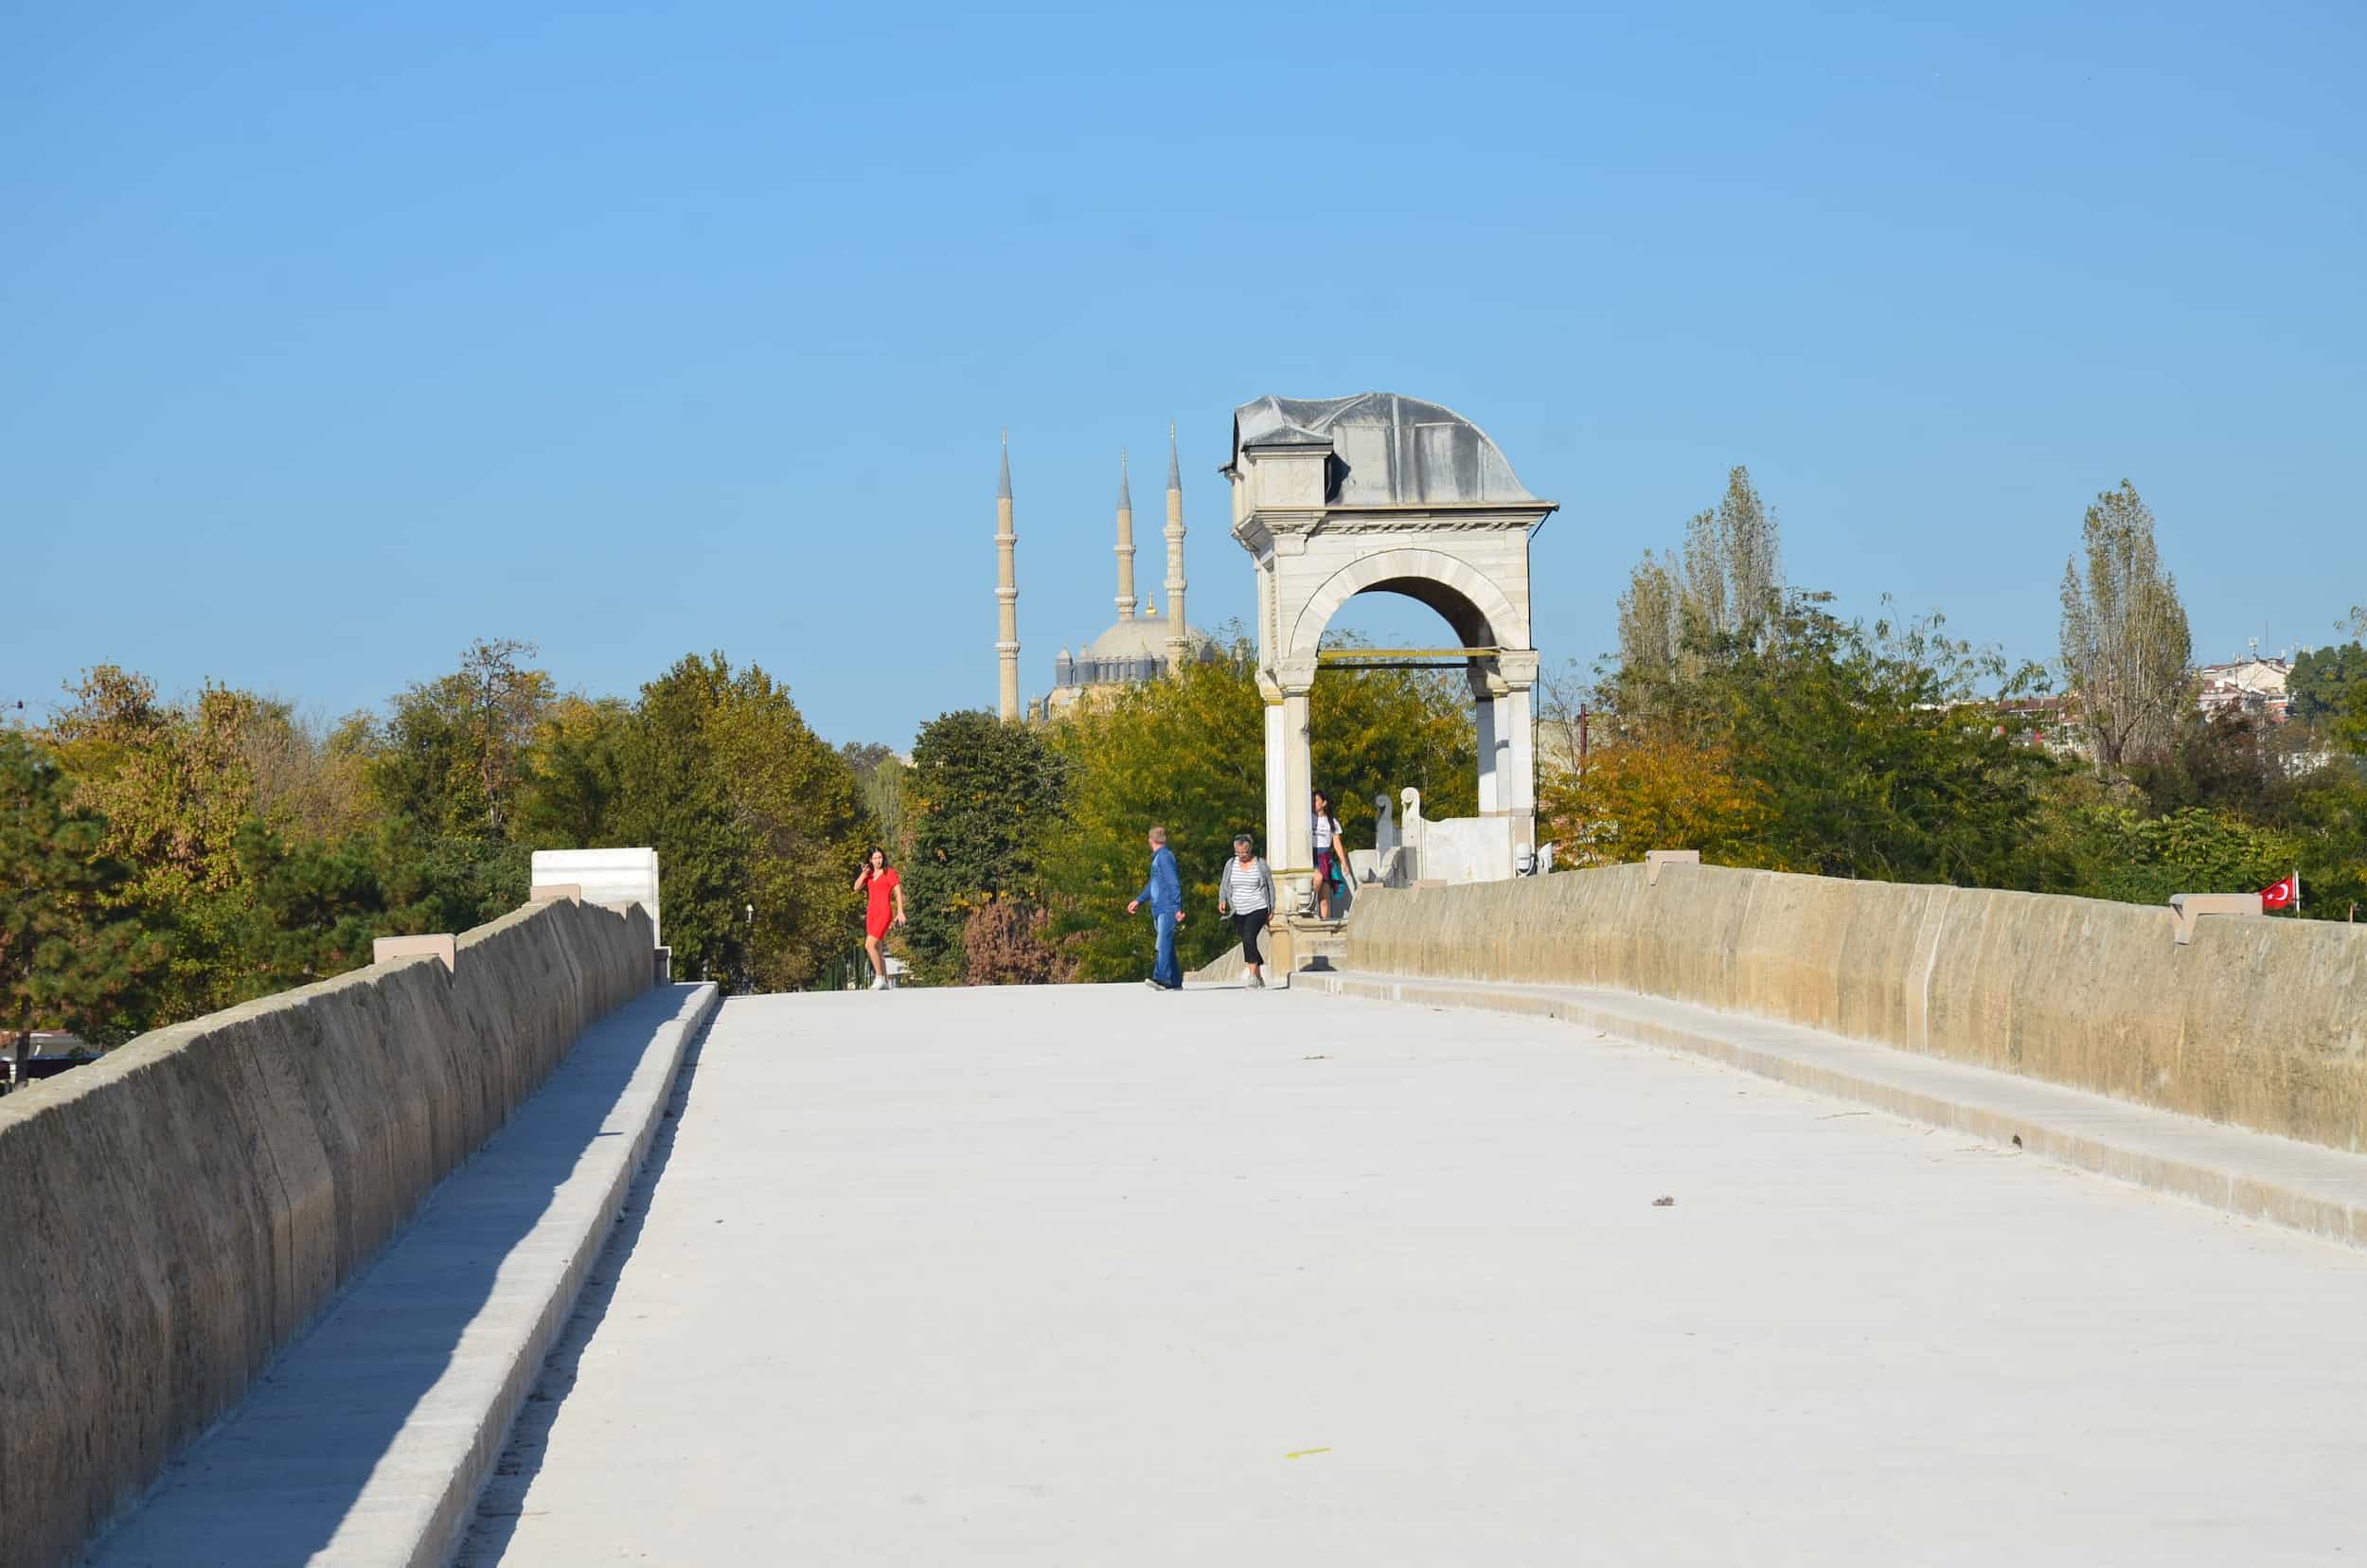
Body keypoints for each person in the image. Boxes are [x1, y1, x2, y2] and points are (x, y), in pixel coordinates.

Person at [1126, 824, 1186, 990]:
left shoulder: (1164, 857)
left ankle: (1160, 978)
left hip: (1167, 907)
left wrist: (1177, 907)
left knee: (1163, 942)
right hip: (1159, 907)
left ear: (1150, 840)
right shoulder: (1159, 858)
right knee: (1167, 942)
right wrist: (1139, 900)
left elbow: (1173, 882)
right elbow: (1154, 884)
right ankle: (1174, 979)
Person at [1214, 832, 1274, 989]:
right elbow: (1224, 883)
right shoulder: (1230, 864)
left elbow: (1270, 886)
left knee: (1248, 936)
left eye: (1244, 853)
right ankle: (1260, 976)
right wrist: (1222, 900)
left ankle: (1252, 976)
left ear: (1250, 849)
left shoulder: (1260, 864)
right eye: (1238, 852)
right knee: (1248, 941)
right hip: (1238, 909)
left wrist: (1271, 908)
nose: (1241, 856)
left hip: (1258, 906)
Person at [853, 846, 905, 991]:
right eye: (875, 858)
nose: (878, 860)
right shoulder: (869, 875)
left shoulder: (889, 873)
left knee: (869, 945)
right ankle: (885, 982)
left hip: (884, 912)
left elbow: (897, 891)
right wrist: (863, 874)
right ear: (870, 859)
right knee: (877, 948)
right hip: (871, 913)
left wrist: (900, 911)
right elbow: (856, 888)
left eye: (880, 857)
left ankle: (879, 977)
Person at [1311, 788, 1344, 919]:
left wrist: (1344, 863)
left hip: (1324, 857)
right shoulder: (1308, 818)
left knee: (1324, 898)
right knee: (1317, 878)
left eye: (1316, 800)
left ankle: (1324, 924)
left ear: (1324, 803)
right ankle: (1309, 903)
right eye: (1312, 801)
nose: (1314, 803)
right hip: (1311, 855)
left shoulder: (1332, 821)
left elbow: (1336, 844)